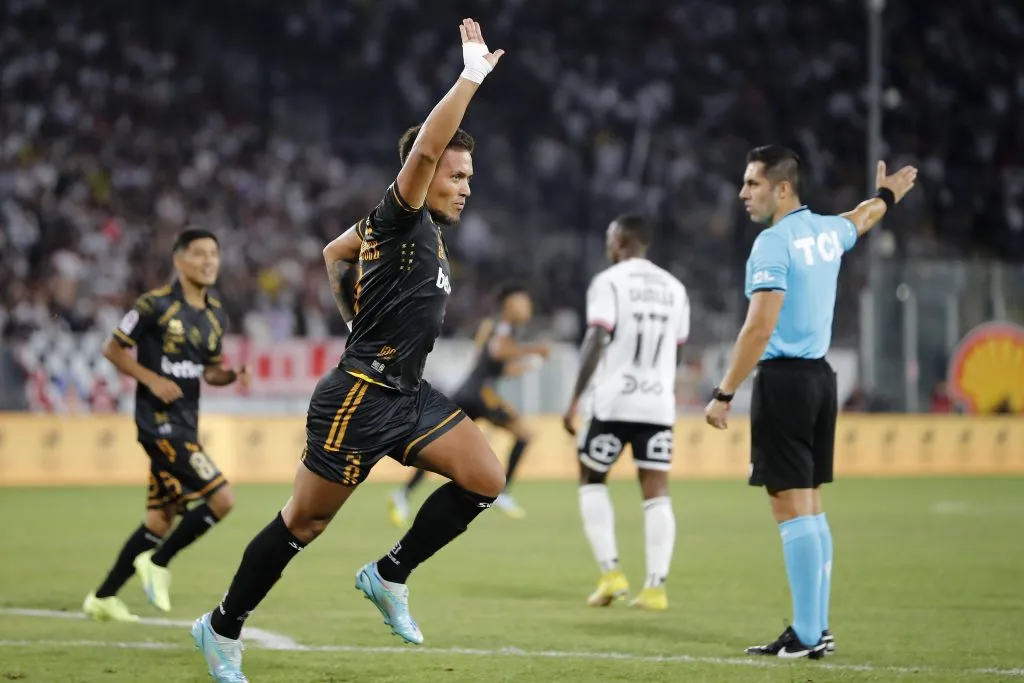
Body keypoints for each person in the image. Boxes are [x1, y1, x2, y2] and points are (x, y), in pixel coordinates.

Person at [191, 19, 505, 683]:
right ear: (427, 170)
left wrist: (354, 315)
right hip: (359, 397)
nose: (466, 184)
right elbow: (422, 156)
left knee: (485, 477)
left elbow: (335, 253)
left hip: (409, 394)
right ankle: (221, 626)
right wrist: (470, 76)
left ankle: (390, 572)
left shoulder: (419, 235)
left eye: (470, 174)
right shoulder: (404, 215)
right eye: (457, 172)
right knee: (302, 523)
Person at [705, 146, 917, 659]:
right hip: (822, 381)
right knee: (811, 506)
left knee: (790, 506)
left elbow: (759, 327)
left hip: (785, 383)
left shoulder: (772, 245)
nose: (742, 193)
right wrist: (887, 194)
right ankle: (814, 628)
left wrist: (723, 393)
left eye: (753, 183)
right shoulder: (826, 231)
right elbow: (861, 219)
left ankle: (804, 633)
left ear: (782, 189)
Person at [84, 228, 248, 622]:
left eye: (214, 253)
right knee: (222, 498)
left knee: (159, 518)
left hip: (186, 425)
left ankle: (103, 597)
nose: (209, 261)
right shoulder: (154, 305)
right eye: (199, 254)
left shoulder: (215, 314)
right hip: (158, 424)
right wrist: (151, 379)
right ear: (179, 260)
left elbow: (209, 372)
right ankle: (158, 563)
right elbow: (112, 348)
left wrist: (230, 376)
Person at [562, 214, 690, 612]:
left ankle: (611, 573)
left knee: (591, 476)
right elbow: (679, 349)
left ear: (619, 241)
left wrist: (574, 399)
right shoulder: (675, 288)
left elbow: (597, 337)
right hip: (657, 402)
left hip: (615, 400)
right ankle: (655, 587)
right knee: (655, 488)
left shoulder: (609, 281)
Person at [389, 283, 549, 524]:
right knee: (525, 435)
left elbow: (495, 363)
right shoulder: (501, 325)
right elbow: (497, 352)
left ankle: (402, 494)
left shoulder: (500, 327)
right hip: (480, 394)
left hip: (470, 392)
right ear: (510, 304)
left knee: (440, 449)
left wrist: (525, 365)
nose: (528, 307)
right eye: (523, 302)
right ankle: (502, 493)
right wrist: (534, 350)